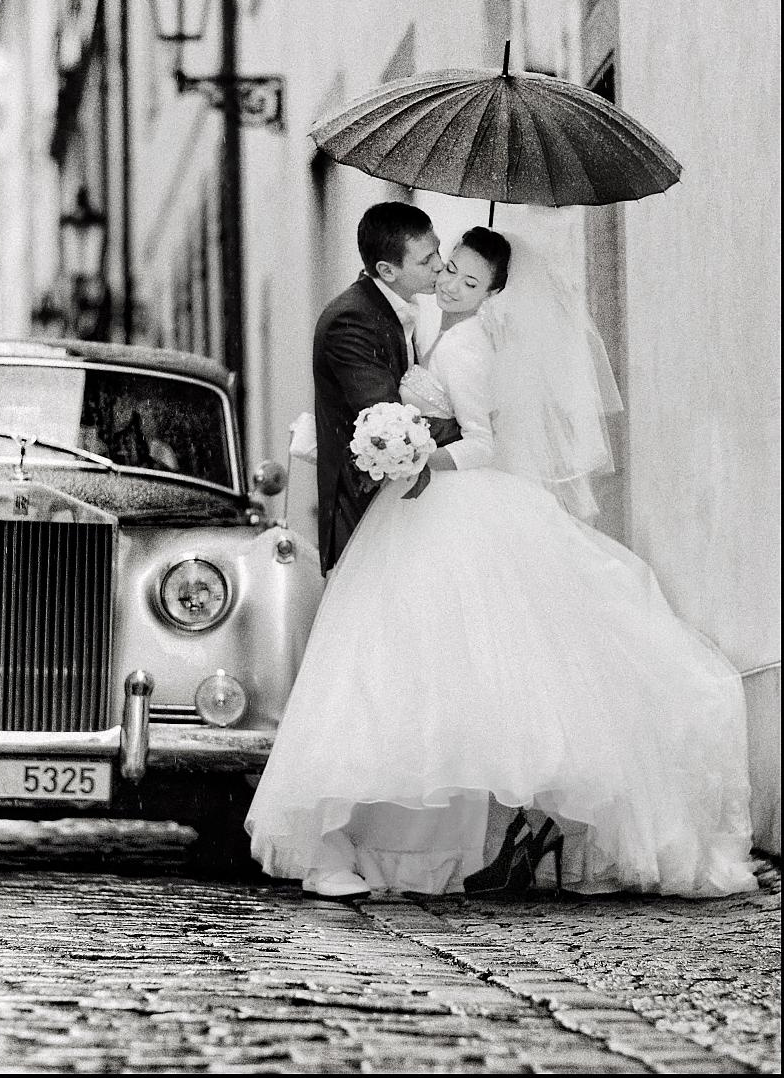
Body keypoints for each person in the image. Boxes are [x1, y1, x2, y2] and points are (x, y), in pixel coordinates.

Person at [246, 226, 757, 900]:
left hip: (451, 503)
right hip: (417, 511)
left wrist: (420, 452)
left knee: (448, 673)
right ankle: (434, 844)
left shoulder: (461, 347)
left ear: (492, 296)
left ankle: (455, 839)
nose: (449, 281)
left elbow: (484, 441)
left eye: (466, 279)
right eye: (445, 267)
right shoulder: (425, 332)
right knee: (427, 674)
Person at [312, 201, 457, 577]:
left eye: (438, 250)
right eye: (426, 260)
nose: (440, 264)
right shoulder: (353, 319)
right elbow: (387, 420)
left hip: (402, 501)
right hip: (363, 510)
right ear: (387, 270)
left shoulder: (397, 307)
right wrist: (468, 430)